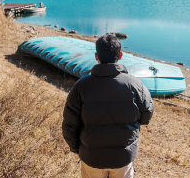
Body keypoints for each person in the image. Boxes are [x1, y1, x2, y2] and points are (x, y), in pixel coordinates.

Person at [62, 33, 154, 178]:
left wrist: (78, 149)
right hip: (123, 158)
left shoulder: (81, 87)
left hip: (91, 157)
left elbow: (69, 125)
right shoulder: (136, 85)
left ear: (96, 56)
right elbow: (147, 115)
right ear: (121, 55)